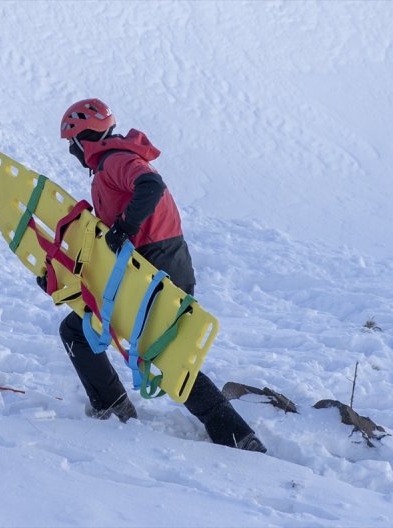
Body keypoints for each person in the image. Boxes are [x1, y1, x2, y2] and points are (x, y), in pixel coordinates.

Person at [51, 98, 266, 453]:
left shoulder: (115, 160)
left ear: (80, 139)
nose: (71, 152)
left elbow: (151, 185)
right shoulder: (111, 163)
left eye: (70, 144)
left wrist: (125, 226)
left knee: (99, 336)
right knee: (163, 353)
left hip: (155, 266)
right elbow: (103, 247)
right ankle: (239, 437)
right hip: (160, 265)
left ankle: (114, 409)